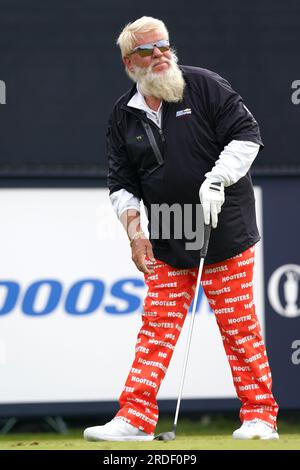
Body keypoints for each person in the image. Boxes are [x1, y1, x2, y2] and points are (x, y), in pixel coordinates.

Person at [84, 16, 279, 442]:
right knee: (156, 326)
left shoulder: (205, 85)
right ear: (127, 62)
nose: (159, 56)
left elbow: (247, 135)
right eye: (146, 50)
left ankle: (260, 417)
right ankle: (134, 417)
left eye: (163, 46)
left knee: (239, 326)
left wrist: (217, 179)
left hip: (223, 229)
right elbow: (122, 185)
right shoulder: (124, 114)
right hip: (170, 232)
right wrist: (136, 234)